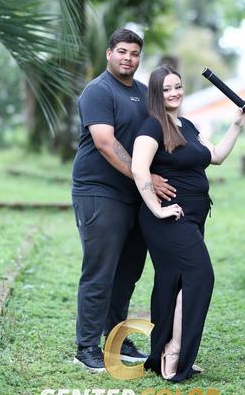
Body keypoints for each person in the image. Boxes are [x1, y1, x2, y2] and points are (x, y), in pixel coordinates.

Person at [131, 64, 245, 381]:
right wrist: (157, 209)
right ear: (156, 94)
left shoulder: (186, 125)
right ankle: (174, 350)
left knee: (175, 281)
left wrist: (236, 124)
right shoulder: (152, 126)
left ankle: (165, 353)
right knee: (200, 275)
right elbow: (139, 169)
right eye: (166, 89)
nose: (174, 93)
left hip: (193, 217)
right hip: (170, 218)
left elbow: (216, 156)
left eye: (177, 86)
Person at [72, 29, 176, 372]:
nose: (128, 58)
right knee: (100, 271)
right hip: (99, 191)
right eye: (121, 51)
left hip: (136, 195)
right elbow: (105, 143)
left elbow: (162, 134)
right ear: (109, 53)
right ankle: (86, 347)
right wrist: (145, 177)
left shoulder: (145, 94)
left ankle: (115, 340)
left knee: (128, 272)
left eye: (134, 53)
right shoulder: (98, 91)